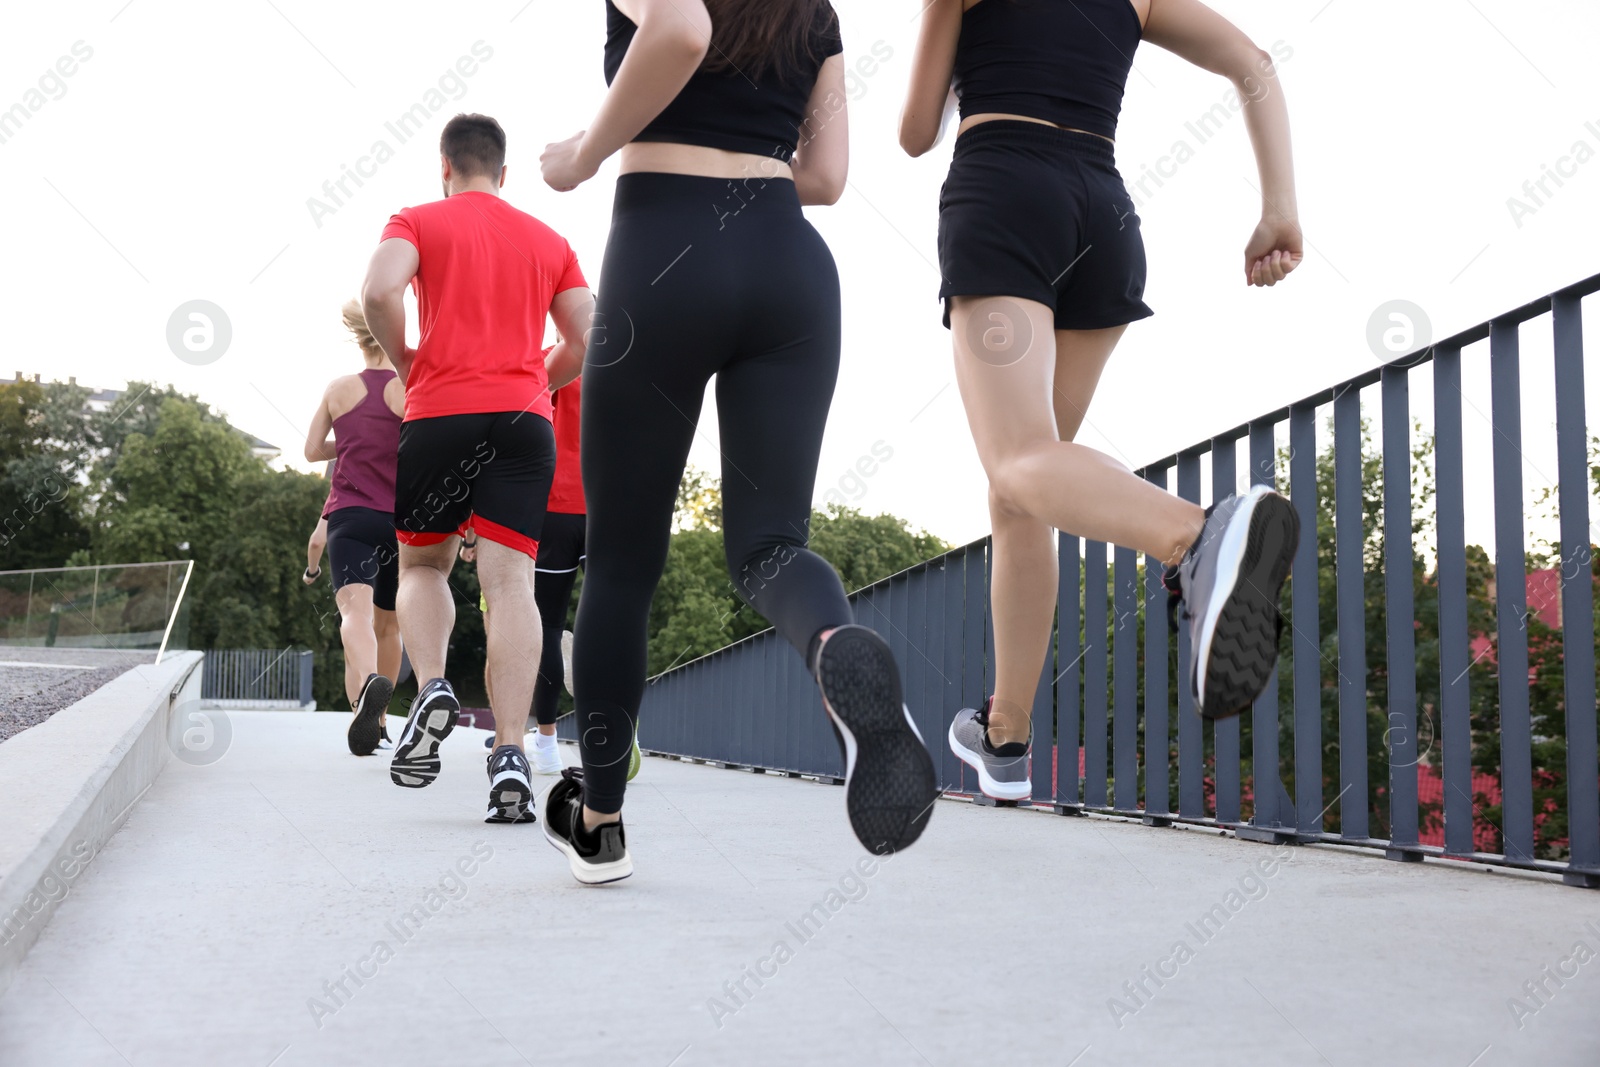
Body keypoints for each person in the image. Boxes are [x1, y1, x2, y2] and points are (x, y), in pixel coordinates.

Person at [539, 0, 938, 884]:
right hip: (789, 264)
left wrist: (582, 154)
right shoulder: (818, 12)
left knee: (619, 563)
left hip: (663, 252)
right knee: (769, 546)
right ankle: (834, 644)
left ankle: (600, 820)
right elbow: (828, 177)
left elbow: (681, 30)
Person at [900, 0, 1304, 800]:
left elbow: (915, 133)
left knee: (1019, 461)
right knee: (1024, 487)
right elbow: (1253, 63)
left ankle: (1196, 538)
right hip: (1104, 213)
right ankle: (1006, 735)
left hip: (1004, 188)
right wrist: (1279, 209)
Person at [362, 113, 593, 824]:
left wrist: (409, 361)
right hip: (525, 421)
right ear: (504, 171)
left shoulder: (418, 219)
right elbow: (591, 332)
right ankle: (513, 753)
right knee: (511, 583)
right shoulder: (549, 240)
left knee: (423, 567)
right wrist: (537, 381)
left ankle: (432, 684)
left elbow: (378, 293)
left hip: (439, 412)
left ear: (445, 165)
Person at [303, 301, 406, 757]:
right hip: (400, 523)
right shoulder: (410, 388)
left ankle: (367, 689)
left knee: (354, 616)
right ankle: (379, 722)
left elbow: (310, 451)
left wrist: (348, 444)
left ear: (356, 338)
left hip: (350, 517)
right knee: (389, 627)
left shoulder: (338, 389)